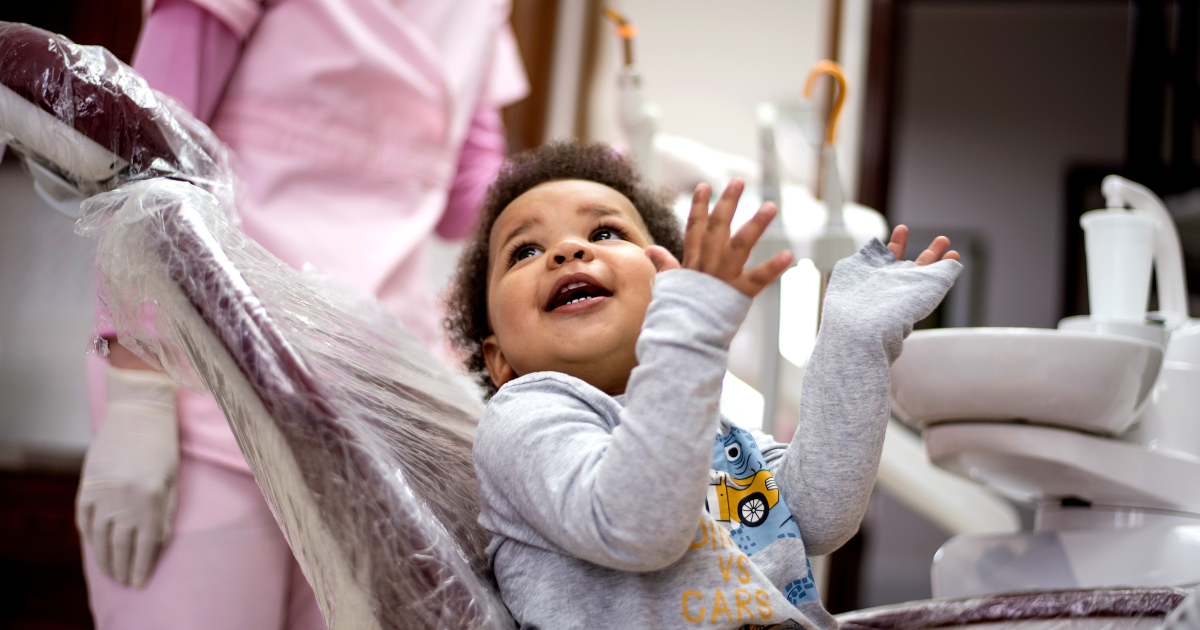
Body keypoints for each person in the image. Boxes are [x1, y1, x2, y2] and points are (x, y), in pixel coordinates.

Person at [74, 0, 528, 628]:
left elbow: (465, 198)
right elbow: (138, 150)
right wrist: (135, 386)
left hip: (367, 411)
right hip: (206, 376)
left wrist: (608, 172)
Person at [445, 142, 960, 629]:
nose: (567, 249)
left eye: (605, 233)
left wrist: (853, 340)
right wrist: (690, 330)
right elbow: (637, 524)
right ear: (498, 359)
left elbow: (818, 515)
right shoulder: (522, 418)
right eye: (524, 251)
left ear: (666, 283)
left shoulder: (715, 434)